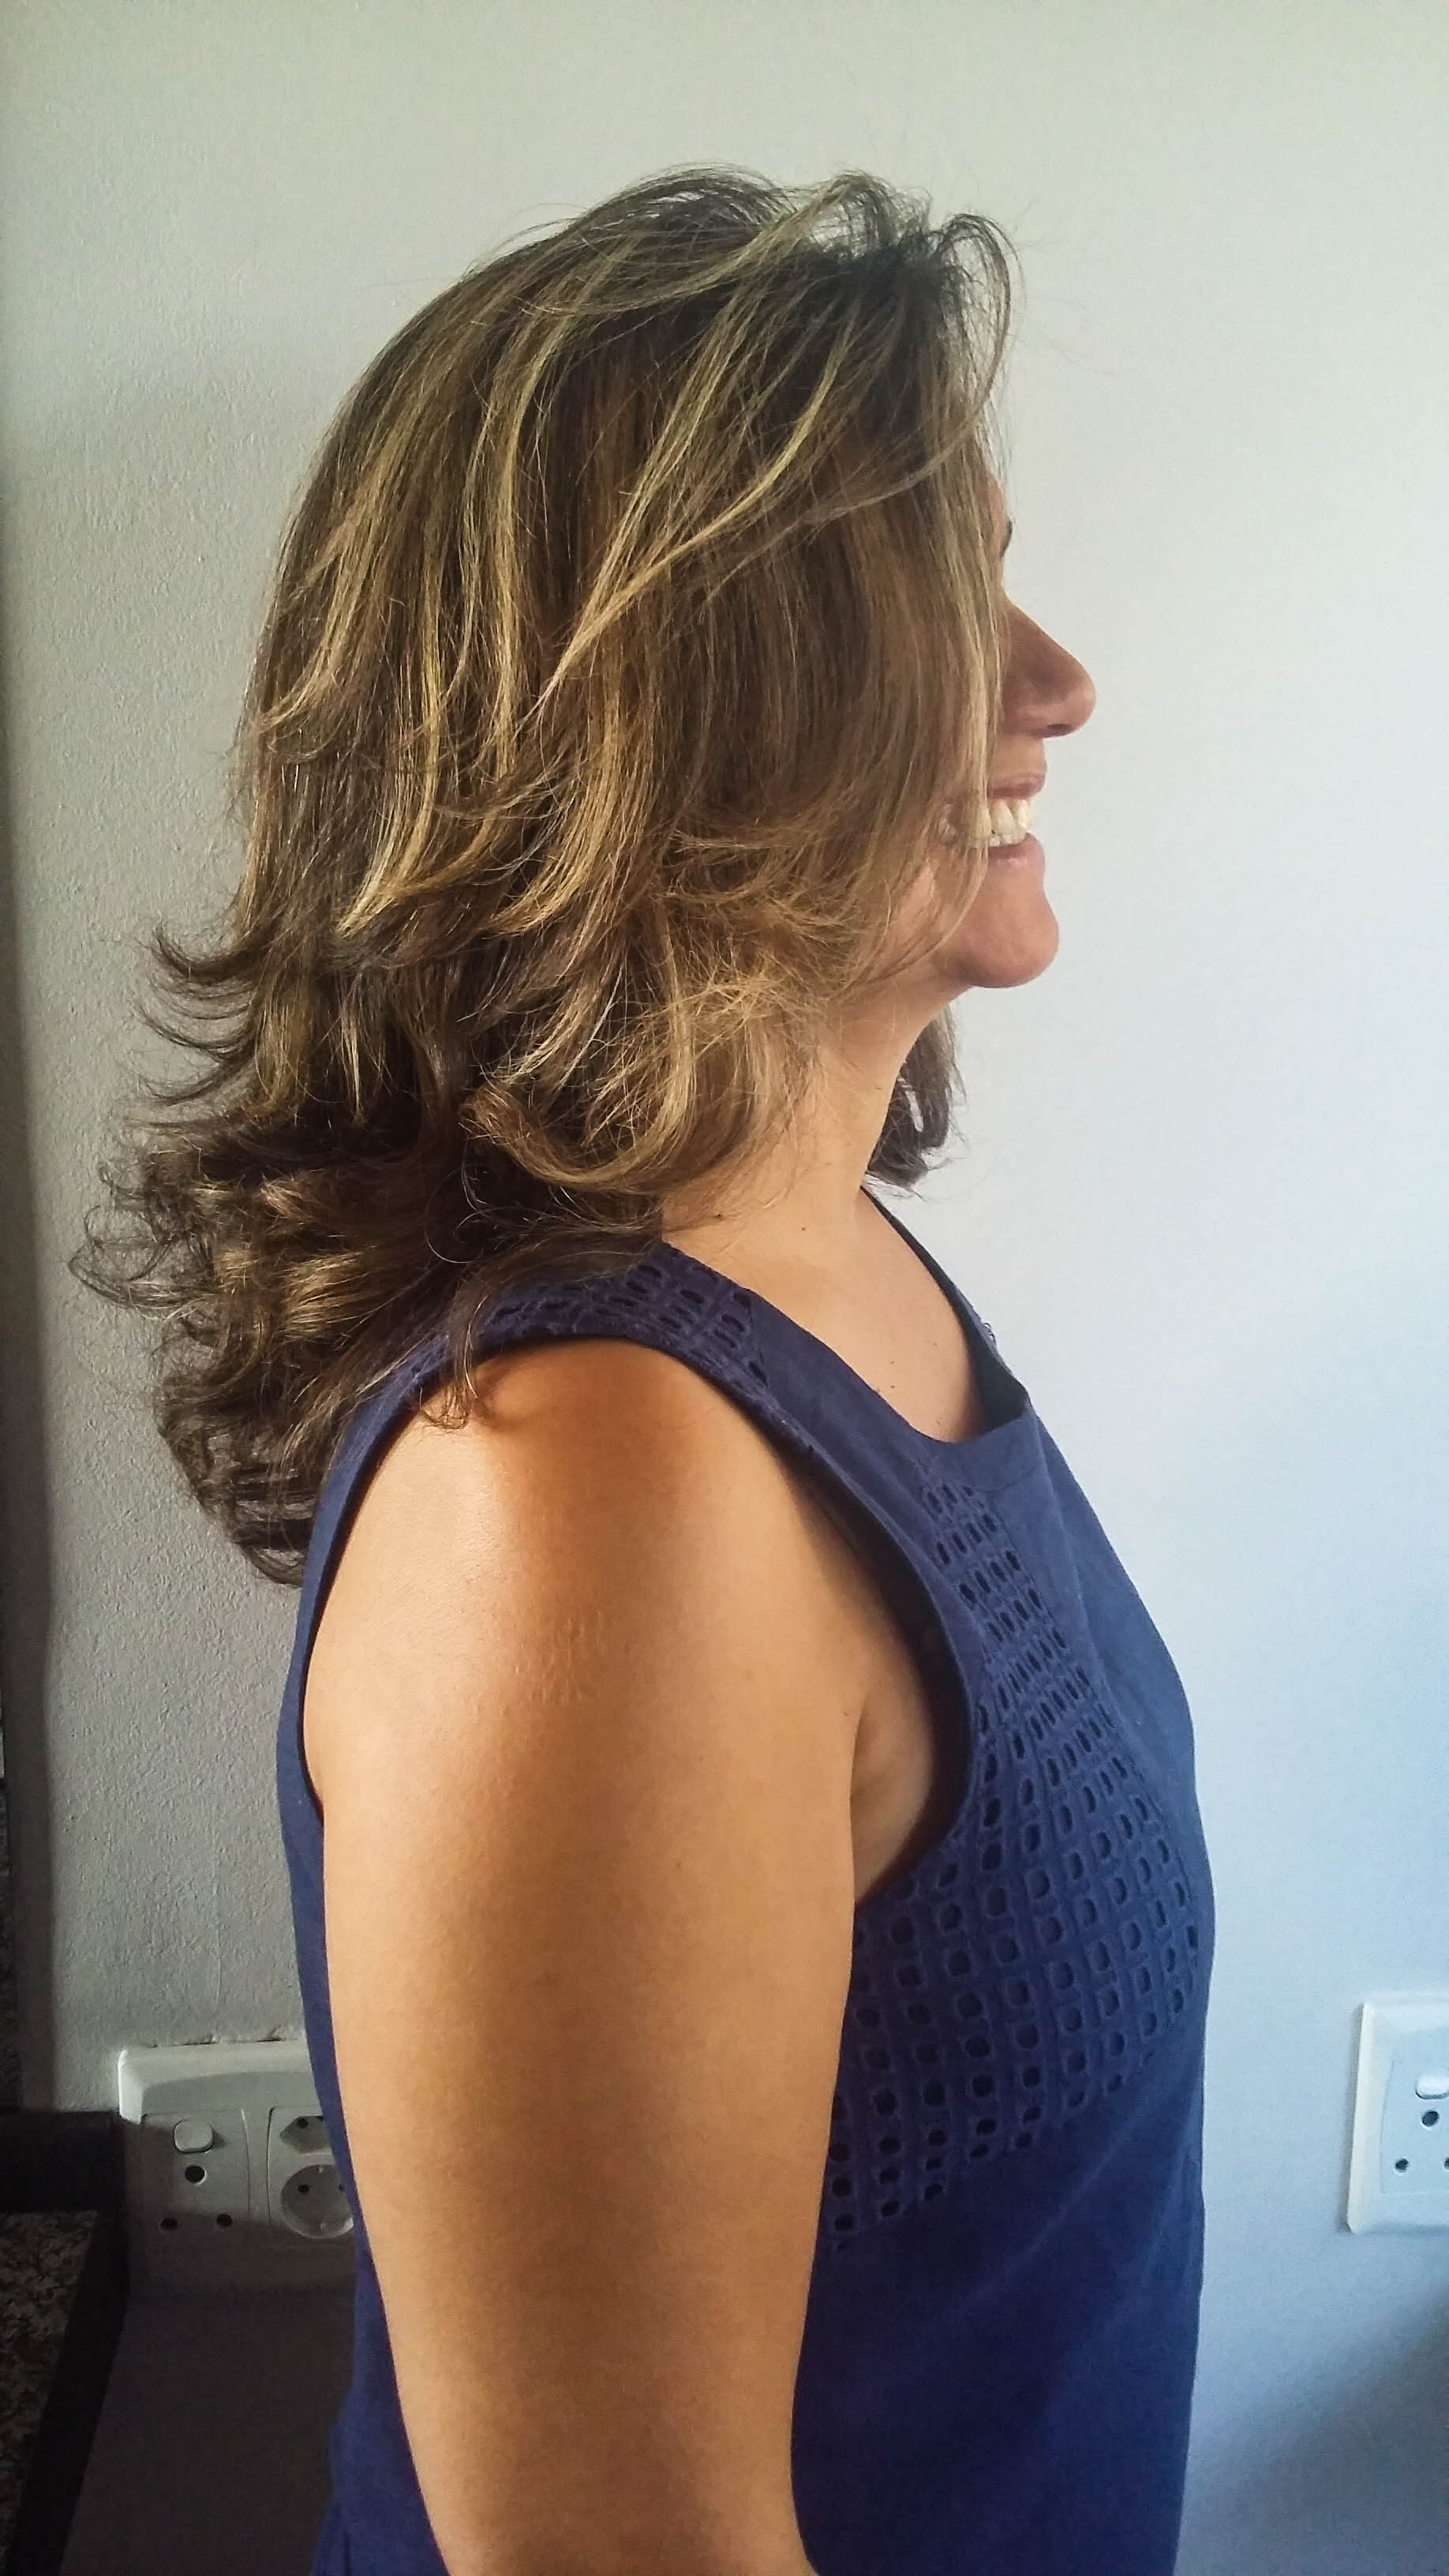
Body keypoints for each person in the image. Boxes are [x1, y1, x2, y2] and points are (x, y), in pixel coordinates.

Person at [73, 167, 1214, 2576]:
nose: (1053, 682)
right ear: (675, 712)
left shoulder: (831, 1279)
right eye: (940, 602)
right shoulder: (584, 1491)